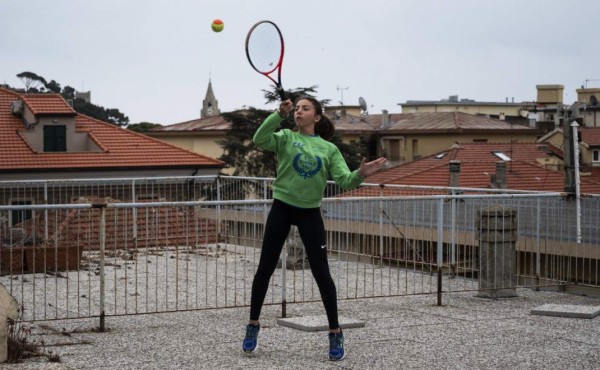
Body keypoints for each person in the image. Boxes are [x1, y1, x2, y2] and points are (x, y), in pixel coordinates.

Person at [242, 96, 387, 361]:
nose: (298, 111)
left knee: (321, 272)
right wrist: (278, 114)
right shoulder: (285, 136)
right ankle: (253, 325)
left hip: (310, 211)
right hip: (282, 207)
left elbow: (344, 181)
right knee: (265, 267)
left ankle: (335, 332)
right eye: (296, 108)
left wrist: (362, 173)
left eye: (305, 108)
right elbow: (259, 139)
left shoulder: (328, 149)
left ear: (317, 117)